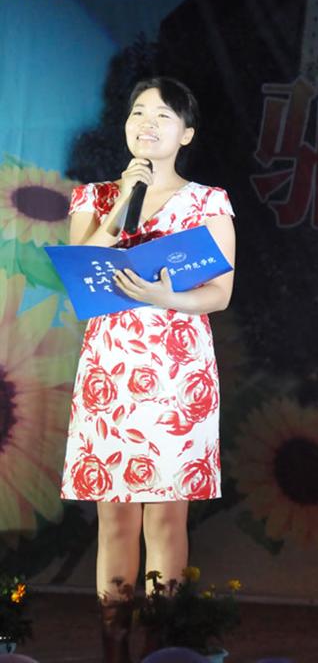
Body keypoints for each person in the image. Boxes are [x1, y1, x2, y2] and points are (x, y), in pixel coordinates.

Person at [60, 77, 235, 662]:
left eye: (163, 116)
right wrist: (119, 207)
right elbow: (80, 277)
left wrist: (166, 297)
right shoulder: (93, 197)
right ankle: (113, 649)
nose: (148, 124)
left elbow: (220, 293)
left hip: (177, 373)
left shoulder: (209, 202)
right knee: (114, 522)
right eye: (139, 113)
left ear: (186, 134)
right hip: (111, 373)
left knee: (165, 522)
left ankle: (162, 649)